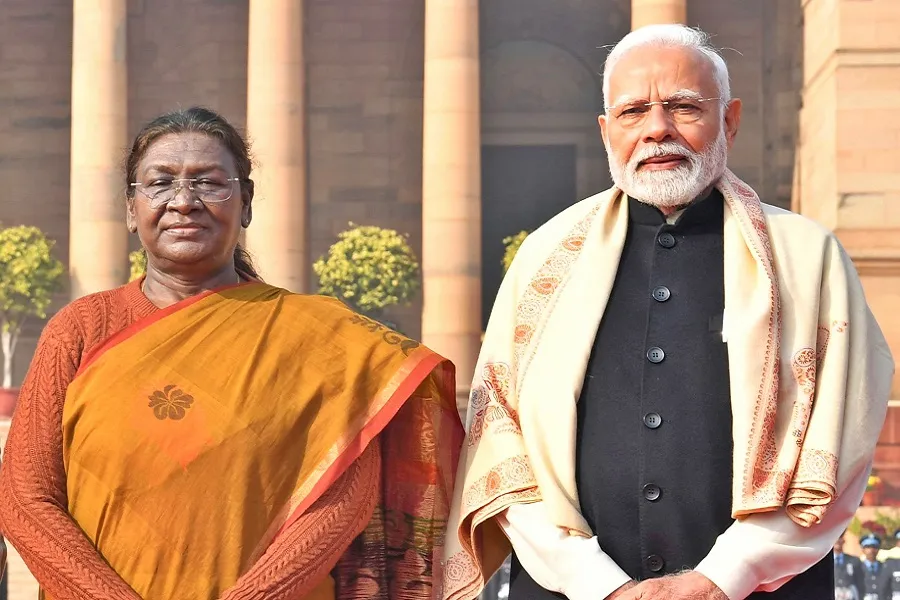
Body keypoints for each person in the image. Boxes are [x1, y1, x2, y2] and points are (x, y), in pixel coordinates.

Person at [441, 24, 895, 600]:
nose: (657, 129)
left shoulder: (807, 260)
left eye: (684, 107)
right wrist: (595, 582)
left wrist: (723, 577)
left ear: (730, 119)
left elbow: (840, 437)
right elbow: (501, 439)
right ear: (606, 131)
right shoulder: (544, 260)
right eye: (633, 112)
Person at [0, 106, 464, 600]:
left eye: (209, 183)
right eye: (160, 183)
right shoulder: (80, 329)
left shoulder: (317, 338)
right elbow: (26, 497)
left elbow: (343, 500)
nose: (184, 202)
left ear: (245, 204)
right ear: (131, 210)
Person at [834, 532, 863, 600]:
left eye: (840, 538)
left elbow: (860, 583)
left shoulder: (854, 560)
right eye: (835, 538)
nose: (837, 540)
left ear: (844, 540)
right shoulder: (825, 562)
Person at [860, 535, 885, 600]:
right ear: (862, 549)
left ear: (878, 549)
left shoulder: (885, 567)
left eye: (875, 547)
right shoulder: (858, 567)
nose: (871, 550)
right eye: (868, 547)